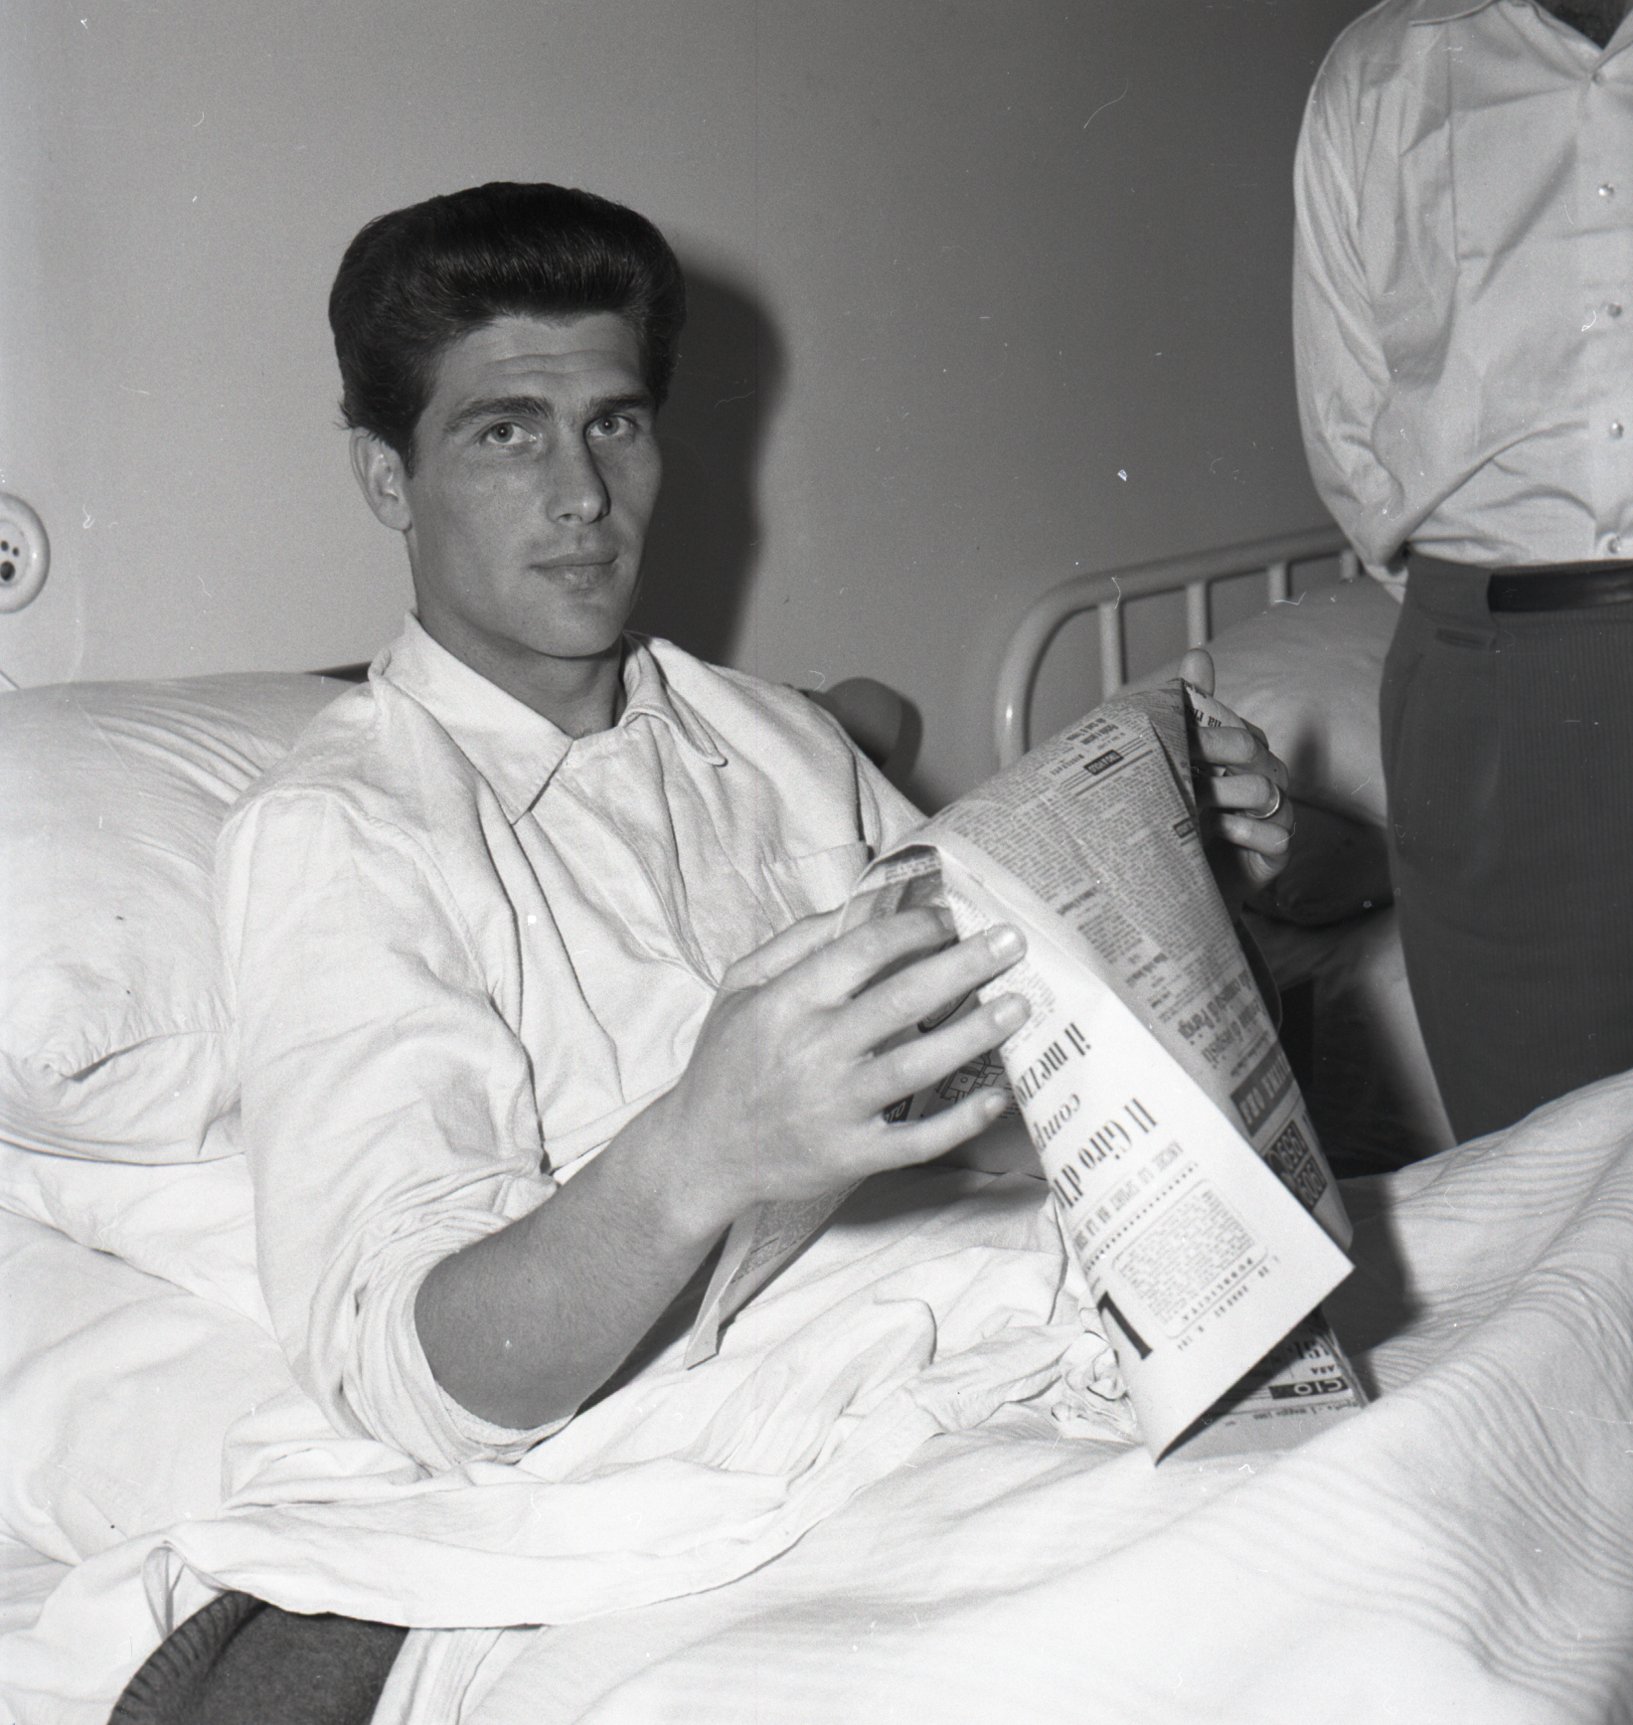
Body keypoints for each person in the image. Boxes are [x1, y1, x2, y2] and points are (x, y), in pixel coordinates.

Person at [217, 180, 1295, 1474]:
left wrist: (1166, 890)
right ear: (387, 477)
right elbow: (416, 1377)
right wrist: (699, 1152)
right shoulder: (341, 834)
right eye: (507, 434)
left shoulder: (778, 737)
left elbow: (1008, 1093)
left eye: (614, 423)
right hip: (746, 1437)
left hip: (1011, 1299)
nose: (582, 494)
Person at [1292, 0, 1633, 1142]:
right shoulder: (1379, 74)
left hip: (1500, 644)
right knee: (1541, 1166)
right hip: (1498, 679)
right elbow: (1350, 434)